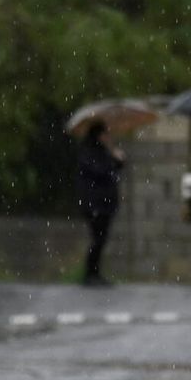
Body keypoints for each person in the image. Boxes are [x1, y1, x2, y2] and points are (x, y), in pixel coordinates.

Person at [76, 121, 125, 287]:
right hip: (95, 204)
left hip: (104, 204)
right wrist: (112, 160)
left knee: (101, 239)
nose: (107, 137)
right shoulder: (89, 152)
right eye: (105, 134)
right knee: (98, 239)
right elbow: (100, 172)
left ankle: (94, 273)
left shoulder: (103, 152)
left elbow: (113, 170)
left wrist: (117, 158)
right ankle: (90, 274)